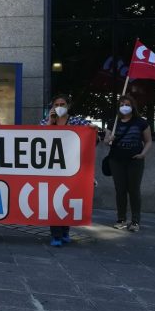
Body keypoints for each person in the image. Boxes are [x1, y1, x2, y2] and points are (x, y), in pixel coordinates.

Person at [40, 94, 98, 246]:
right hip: (51, 168)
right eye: (56, 104)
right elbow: (38, 138)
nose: (59, 107)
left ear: (68, 106)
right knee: (54, 201)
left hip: (72, 168)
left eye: (62, 104)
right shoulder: (46, 122)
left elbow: (91, 135)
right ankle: (56, 235)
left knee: (66, 199)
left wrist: (93, 129)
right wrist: (50, 123)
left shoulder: (77, 121)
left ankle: (65, 230)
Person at [105, 94, 152, 233]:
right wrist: (110, 138)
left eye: (127, 104)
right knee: (120, 190)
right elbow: (105, 141)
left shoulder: (141, 122)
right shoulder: (113, 122)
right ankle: (121, 219)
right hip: (116, 161)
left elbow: (148, 141)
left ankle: (135, 221)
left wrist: (143, 154)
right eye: (122, 104)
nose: (124, 107)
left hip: (135, 161)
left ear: (132, 106)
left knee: (134, 190)